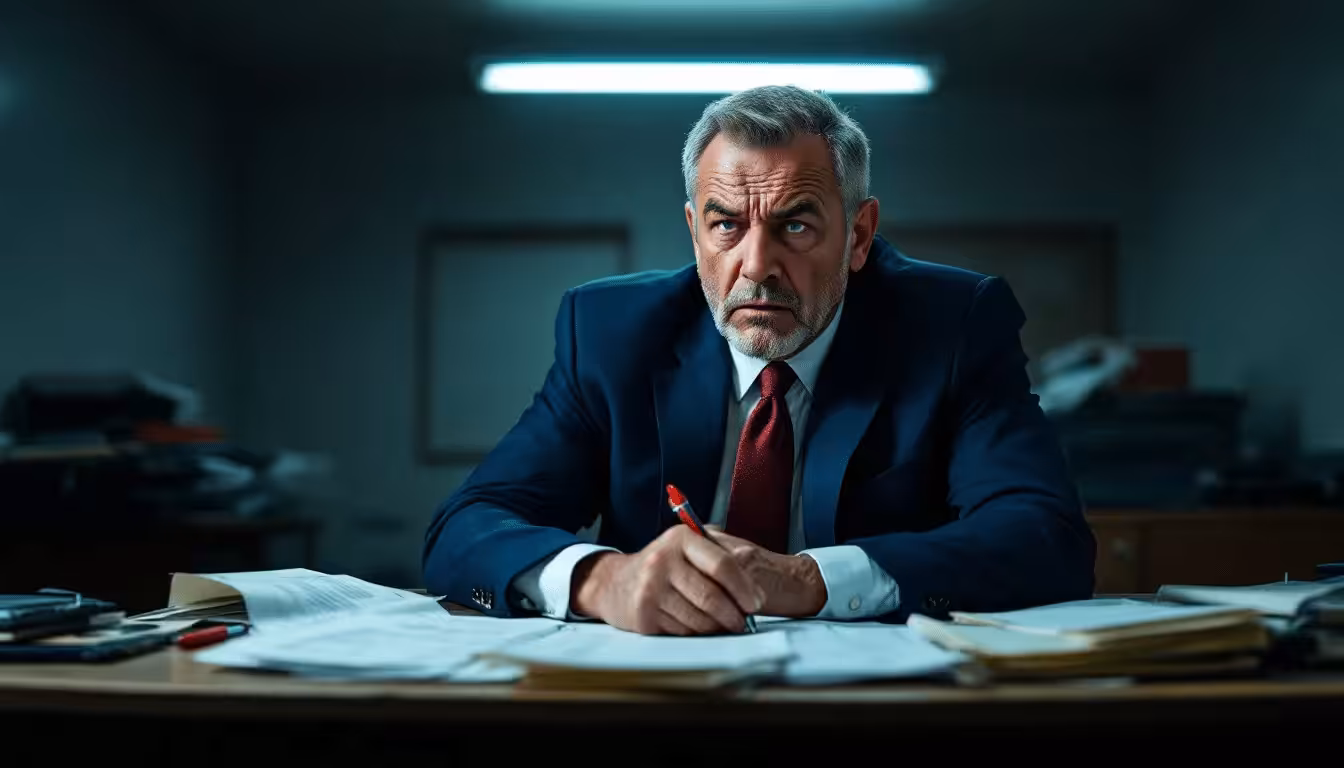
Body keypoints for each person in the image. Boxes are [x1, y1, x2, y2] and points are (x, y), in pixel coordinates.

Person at [423, 85, 1095, 635]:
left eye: (795, 225)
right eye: (727, 226)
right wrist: (603, 580)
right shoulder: (611, 332)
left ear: (858, 236)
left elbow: (1044, 536)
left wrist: (811, 579)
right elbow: (467, 526)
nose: (757, 267)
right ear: (694, 233)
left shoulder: (953, 325)